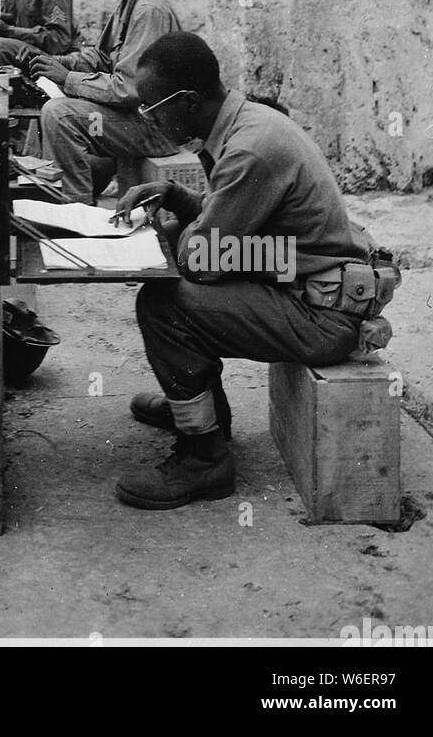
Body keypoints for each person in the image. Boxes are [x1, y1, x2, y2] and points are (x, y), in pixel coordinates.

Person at [111, 32, 377, 511]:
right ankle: (203, 415)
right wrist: (174, 196)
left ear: (189, 102)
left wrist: (184, 235)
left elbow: (205, 258)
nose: (147, 118)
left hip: (322, 314)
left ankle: (204, 456)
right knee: (183, 284)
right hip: (297, 278)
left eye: (152, 107)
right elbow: (234, 231)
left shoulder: (250, 148)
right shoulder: (243, 125)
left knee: (166, 301)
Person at [30, 0, 181, 204]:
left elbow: (129, 89)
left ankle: (76, 208)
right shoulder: (130, 2)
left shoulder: (149, 10)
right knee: (40, 102)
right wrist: (57, 64)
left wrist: (68, 79)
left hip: (157, 128)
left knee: (59, 115)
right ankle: (43, 188)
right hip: (138, 119)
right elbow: (100, 58)